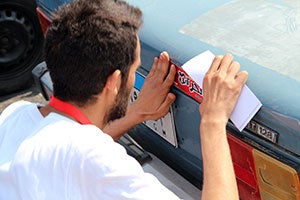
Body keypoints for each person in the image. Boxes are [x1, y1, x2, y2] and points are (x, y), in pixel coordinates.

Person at [0, 0, 248, 199]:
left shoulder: (17, 115)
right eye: (135, 68)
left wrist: (136, 112)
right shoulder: (99, 162)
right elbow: (84, 158)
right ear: (114, 81)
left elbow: (66, 152)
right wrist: (213, 120)